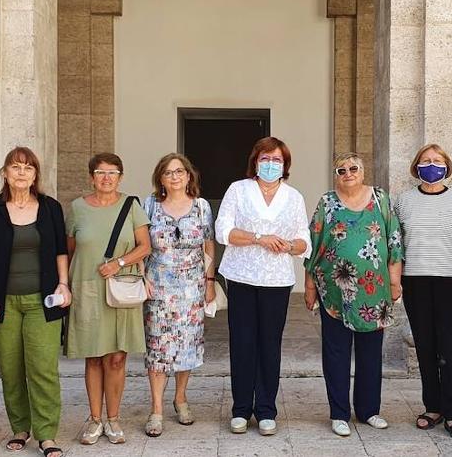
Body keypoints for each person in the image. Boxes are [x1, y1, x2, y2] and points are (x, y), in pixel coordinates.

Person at [0, 147, 71, 455]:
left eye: (28, 168)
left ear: (35, 175)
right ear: (4, 172)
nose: (21, 172)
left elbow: (60, 251)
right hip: (2, 302)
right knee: (11, 369)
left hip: (43, 300)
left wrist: (64, 284)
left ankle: (46, 434)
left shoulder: (50, 208)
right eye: (15, 167)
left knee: (42, 368)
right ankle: (20, 428)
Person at [215, 136, 311, 436]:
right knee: (243, 343)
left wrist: (290, 246)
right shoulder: (238, 189)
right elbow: (223, 232)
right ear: (255, 162)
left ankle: (267, 409)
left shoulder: (293, 196)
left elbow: (304, 239)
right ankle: (241, 409)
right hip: (241, 277)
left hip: (277, 280)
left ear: (285, 165)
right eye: (265, 159)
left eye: (277, 160)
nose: (271, 165)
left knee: (270, 345)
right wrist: (259, 238)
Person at [304, 152, 402, 437]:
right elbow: (313, 245)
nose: (348, 173)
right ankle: (338, 413)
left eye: (353, 168)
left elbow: (394, 240)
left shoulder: (381, 199)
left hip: (374, 291)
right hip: (334, 291)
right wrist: (309, 287)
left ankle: (369, 410)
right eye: (341, 169)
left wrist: (395, 281)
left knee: (371, 353)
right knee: (336, 352)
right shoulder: (327, 202)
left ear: (363, 170)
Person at [392, 143, 452, 439]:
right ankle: (433, 407)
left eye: (437, 161)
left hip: (451, 281)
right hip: (415, 280)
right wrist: (395, 279)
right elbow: (396, 243)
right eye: (426, 160)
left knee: (449, 349)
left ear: (447, 166)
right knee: (425, 346)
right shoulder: (402, 201)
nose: (431, 165)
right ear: (416, 166)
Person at [66, 152, 152, 445]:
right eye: (100, 172)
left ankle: (113, 419)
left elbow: (145, 246)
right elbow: (71, 249)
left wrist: (118, 262)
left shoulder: (131, 206)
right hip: (87, 288)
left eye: (112, 173)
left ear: (120, 176)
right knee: (93, 357)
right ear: (91, 176)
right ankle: (94, 420)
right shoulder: (77, 208)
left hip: (121, 287)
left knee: (116, 357)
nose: (106, 178)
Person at [141, 153, 216, 437]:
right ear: (160, 178)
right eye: (168, 172)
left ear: (189, 176)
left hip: (191, 287)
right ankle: (157, 408)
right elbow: (140, 243)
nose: (174, 177)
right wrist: (142, 277)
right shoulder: (150, 204)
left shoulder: (201, 207)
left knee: (187, 345)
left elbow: (208, 244)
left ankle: (181, 398)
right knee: (158, 348)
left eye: (179, 171)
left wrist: (209, 281)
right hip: (158, 286)